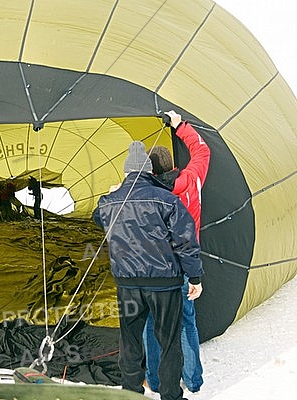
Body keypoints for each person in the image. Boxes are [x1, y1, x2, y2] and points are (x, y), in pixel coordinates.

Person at [92, 140, 204, 400]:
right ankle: (170, 395)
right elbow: (186, 241)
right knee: (168, 342)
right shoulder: (167, 200)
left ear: (126, 172)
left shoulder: (109, 202)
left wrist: (113, 193)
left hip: (127, 284)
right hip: (164, 283)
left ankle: (130, 393)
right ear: (148, 172)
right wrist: (195, 277)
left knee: (130, 341)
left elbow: (98, 218)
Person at [143, 110, 211, 395]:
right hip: (185, 267)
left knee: (151, 322)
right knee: (186, 322)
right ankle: (193, 380)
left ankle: (156, 381)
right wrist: (179, 125)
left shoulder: (143, 194)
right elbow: (202, 150)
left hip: (155, 270)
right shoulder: (192, 179)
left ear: (150, 171)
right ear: (172, 165)